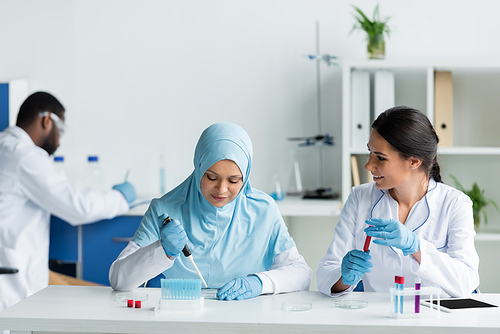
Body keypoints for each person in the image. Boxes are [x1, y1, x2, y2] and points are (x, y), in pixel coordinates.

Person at [109, 122, 312, 300]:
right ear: (198, 168)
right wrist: (163, 251)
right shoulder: (164, 210)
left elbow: (301, 273)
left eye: (233, 180)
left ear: (246, 176)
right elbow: (118, 279)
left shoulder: (264, 210)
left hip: (245, 320)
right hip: (181, 318)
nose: (222, 190)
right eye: (212, 178)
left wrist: (260, 283)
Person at [317, 106, 479, 298]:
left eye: (380, 157)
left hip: (433, 319)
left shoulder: (455, 204)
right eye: (370, 152)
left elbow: (466, 281)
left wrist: (416, 247)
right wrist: (345, 277)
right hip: (377, 319)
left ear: (414, 162)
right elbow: (326, 272)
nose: (368, 165)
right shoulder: (360, 198)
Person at [0, 91, 137, 312]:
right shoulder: (24, 156)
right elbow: (78, 206)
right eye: (60, 130)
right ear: (46, 120)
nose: (60, 140)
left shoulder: (6, 146)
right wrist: (120, 197)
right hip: (9, 281)